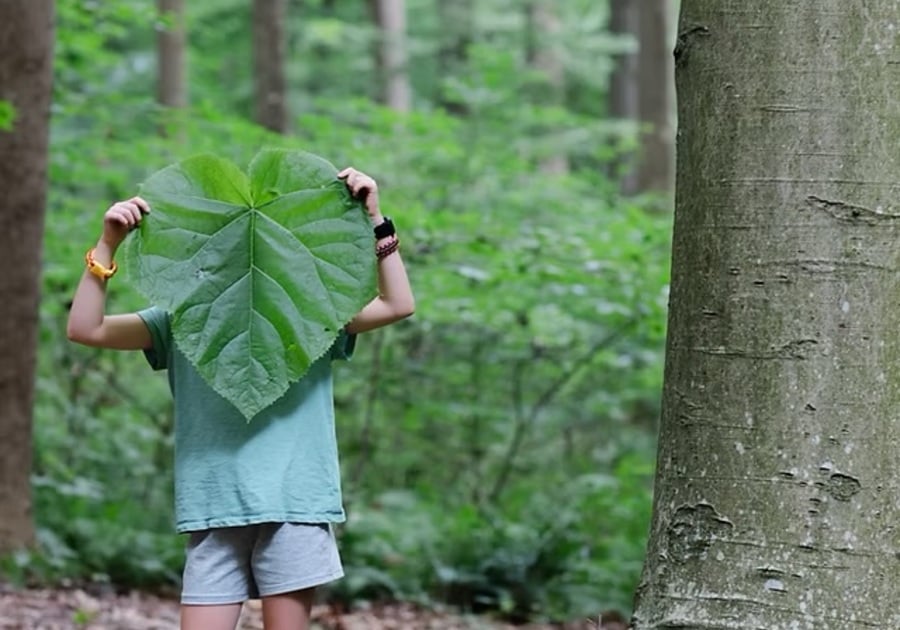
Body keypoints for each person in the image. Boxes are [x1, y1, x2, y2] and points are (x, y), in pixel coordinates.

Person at [67, 167, 414, 630]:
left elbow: (397, 304)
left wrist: (376, 220)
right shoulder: (183, 318)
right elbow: (85, 329)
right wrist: (107, 245)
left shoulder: (309, 311)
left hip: (294, 502)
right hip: (215, 505)